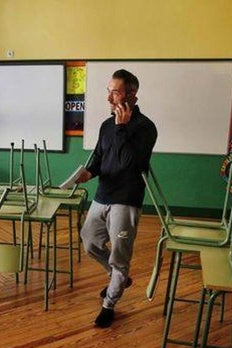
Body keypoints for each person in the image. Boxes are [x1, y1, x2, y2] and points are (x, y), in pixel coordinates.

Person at [76, 69, 157, 328]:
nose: (109, 98)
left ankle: (109, 304)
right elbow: (100, 158)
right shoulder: (106, 126)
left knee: (120, 257)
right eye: (108, 91)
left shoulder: (145, 128)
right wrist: (89, 173)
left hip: (126, 199)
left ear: (132, 94)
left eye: (115, 92)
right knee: (89, 242)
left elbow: (129, 163)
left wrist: (122, 129)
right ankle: (117, 276)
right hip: (102, 195)